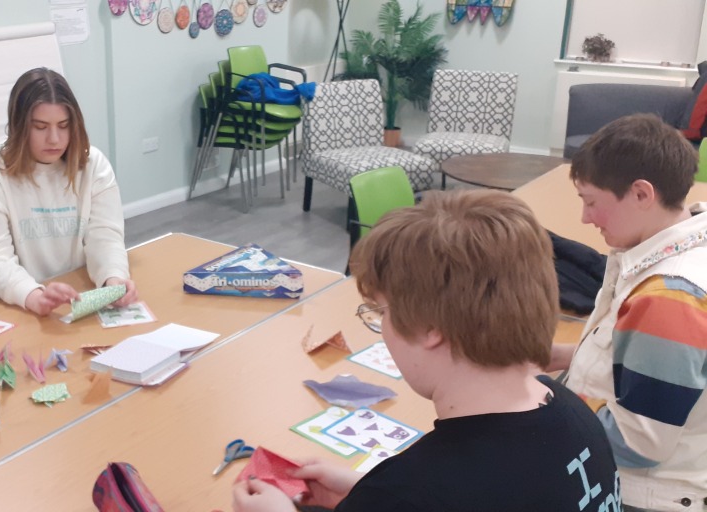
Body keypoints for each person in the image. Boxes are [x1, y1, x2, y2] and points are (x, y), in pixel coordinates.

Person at [233, 190, 621, 512]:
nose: (382, 328)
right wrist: (363, 493)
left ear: (429, 329)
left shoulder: (414, 489)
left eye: (381, 311)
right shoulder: (574, 411)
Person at [549, 113, 707, 512]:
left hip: (642, 495)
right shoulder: (673, 247)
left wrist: (543, 401)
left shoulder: (668, 299)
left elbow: (641, 442)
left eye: (591, 202)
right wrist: (566, 356)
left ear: (641, 194)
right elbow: (655, 365)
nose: (585, 219)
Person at [0, 67, 136, 315]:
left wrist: (113, 278)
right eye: (40, 127)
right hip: (6, 301)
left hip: (73, 293)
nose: (54, 139)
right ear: (18, 126)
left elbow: (105, 236)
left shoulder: (92, 164)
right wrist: (33, 296)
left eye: (63, 126)